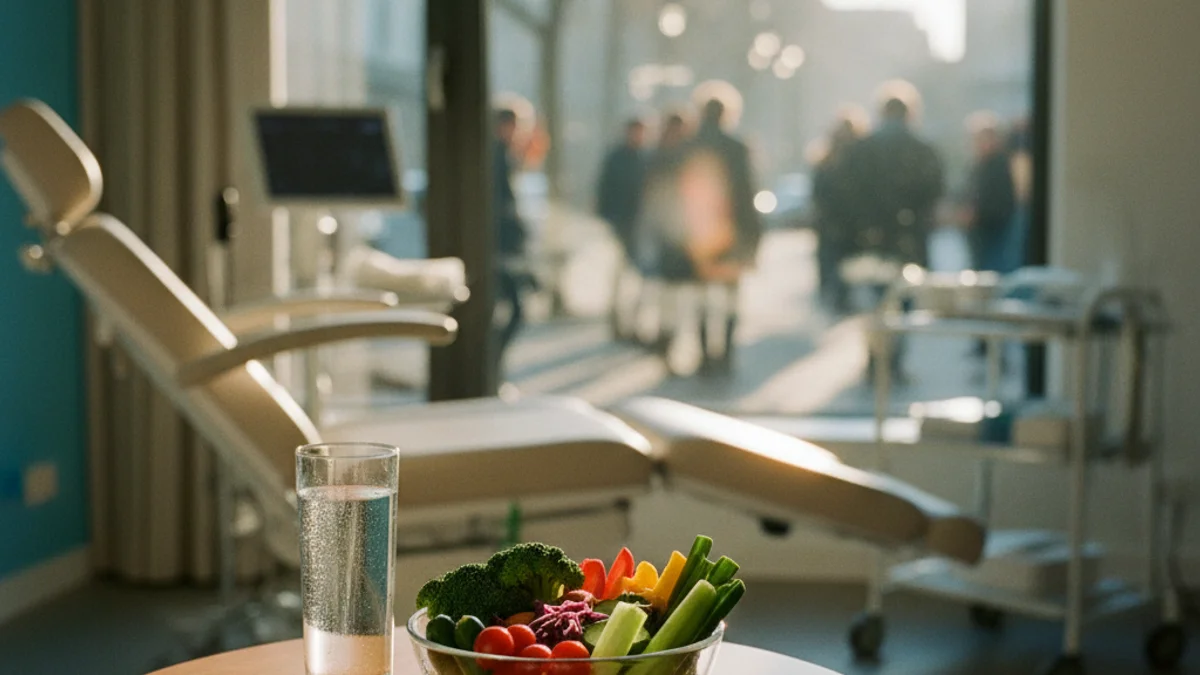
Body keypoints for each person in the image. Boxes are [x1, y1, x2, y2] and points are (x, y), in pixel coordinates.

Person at [678, 93, 763, 375]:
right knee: (729, 295)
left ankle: (703, 355)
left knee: (700, 297)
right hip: (730, 232)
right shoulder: (738, 148)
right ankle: (725, 353)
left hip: (698, 232)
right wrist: (753, 237)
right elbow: (746, 195)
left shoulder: (687, 147)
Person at [847, 91, 944, 269]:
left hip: (876, 231)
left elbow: (854, 190)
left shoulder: (864, 148)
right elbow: (935, 187)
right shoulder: (922, 148)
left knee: (880, 285)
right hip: (913, 228)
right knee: (914, 283)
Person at [810, 108, 868, 314]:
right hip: (852, 226)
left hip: (831, 226)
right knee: (850, 270)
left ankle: (837, 298)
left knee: (835, 268)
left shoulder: (825, 159)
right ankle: (842, 299)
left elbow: (818, 194)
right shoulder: (863, 158)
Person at [595, 118, 649, 340]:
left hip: (640, 225)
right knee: (622, 276)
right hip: (621, 224)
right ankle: (618, 322)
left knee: (638, 278)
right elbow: (604, 190)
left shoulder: (645, 158)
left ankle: (633, 323)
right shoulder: (616, 158)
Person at [493, 107, 530, 374]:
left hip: (502, 247)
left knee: (508, 310)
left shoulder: (503, 155)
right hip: (498, 248)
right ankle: (491, 367)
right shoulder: (495, 157)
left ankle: (491, 367)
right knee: (515, 310)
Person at [963, 111, 1017, 273]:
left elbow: (1000, 203)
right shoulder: (978, 166)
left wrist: (976, 214)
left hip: (995, 233)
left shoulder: (999, 165)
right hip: (980, 236)